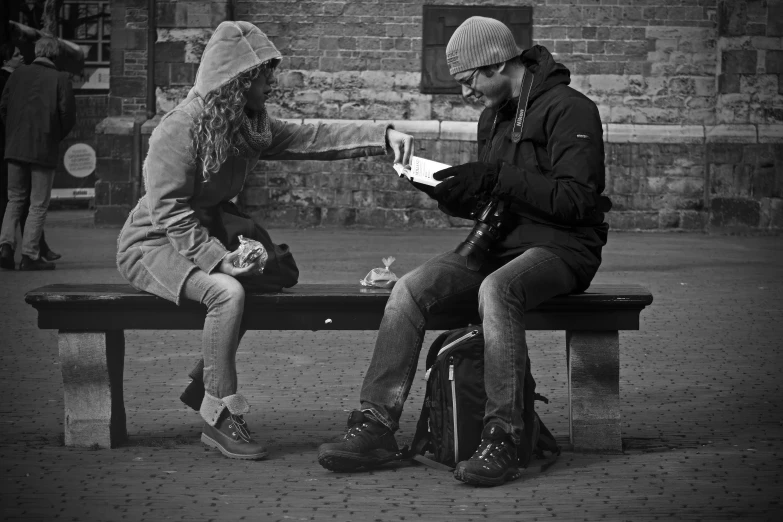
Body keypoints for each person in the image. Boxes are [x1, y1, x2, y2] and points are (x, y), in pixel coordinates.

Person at [318, 16, 610, 487]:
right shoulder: (492, 116)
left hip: (563, 247)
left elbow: (577, 200)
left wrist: (496, 177)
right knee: (411, 289)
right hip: (499, 243)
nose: (466, 94)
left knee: (498, 289)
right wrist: (448, 190)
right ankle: (376, 424)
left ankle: (503, 438)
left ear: (496, 65)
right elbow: (496, 196)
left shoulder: (571, 109)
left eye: (468, 81)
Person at [116, 21, 413, 461]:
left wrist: (381, 137)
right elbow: (169, 211)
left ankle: (206, 381)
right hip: (154, 242)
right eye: (263, 73)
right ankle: (219, 416)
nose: (271, 81)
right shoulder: (179, 128)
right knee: (227, 293)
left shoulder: (248, 126)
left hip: (197, 232)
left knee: (263, 279)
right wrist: (218, 261)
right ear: (238, 79)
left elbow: (312, 136)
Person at [0, 37, 72, 271]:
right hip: (43, 147)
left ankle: (5, 247)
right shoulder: (60, 78)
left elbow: (4, 107)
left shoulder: (17, 75)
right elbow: (67, 116)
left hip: (15, 146)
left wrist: (13, 133)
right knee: (38, 204)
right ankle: (30, 254)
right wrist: (53, 136)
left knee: (15, 199)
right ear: (55, 54)